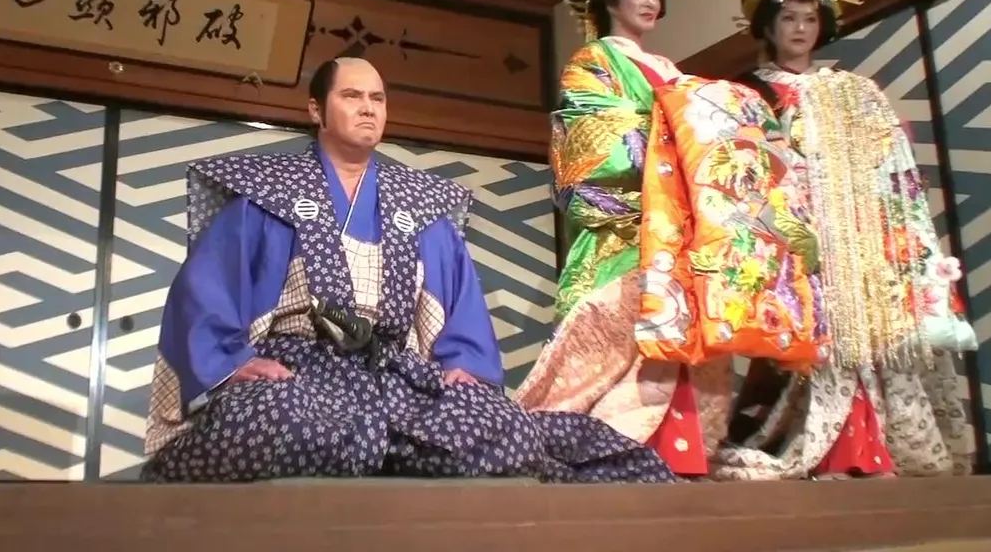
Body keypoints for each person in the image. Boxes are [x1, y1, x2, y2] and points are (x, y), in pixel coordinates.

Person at [138, 57, 676, 483]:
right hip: (299, 374)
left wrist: (462, 364)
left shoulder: (417, 204)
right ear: (316, 109)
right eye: (351, 96)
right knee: (274, 423)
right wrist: (233, 363)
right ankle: (383, 454)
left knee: (502, 430)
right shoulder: (268, 193)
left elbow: (460, 301)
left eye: (377, 98)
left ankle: (388, 449)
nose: (367, 108)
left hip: (395, 375)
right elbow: (203, 293)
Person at [512, 0, 826, 478]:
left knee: (691, 325)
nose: (650, 1)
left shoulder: (671, 72)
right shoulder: (593, 63)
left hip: (678, 222)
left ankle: (688, 446)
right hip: (630, 225)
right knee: (623, 333)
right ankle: (606, 441)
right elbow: (592, 143)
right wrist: (672, 142)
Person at [712, 0, 977, 480]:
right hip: (795, 234)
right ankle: (825, 445)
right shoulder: (749, 93)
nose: (800, 28)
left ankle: (873, 444)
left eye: (810, 18)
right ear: (767, 25)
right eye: (788, 18)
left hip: (856, 234)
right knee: (810, 338)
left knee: (870, 334)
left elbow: (889, 166)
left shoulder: (855, 90)